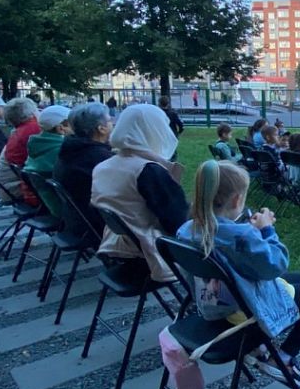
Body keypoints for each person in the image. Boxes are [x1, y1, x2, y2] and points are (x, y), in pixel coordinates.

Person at [177, 160, 300, 386]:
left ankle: (259, 347)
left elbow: (229, 248)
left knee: (297, 279)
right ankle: (284, 357)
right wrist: (267, 230)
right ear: (237, 199)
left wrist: (249, 232)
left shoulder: (186, 230)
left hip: (213, 303)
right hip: (243, 313)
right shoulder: (241, 237)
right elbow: (276, 265)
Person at [91, 104, 189, 282]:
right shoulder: (147, 170)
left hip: (118, 246)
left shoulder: (103, 166)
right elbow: (178, 223)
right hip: (151, 252)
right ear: (152, 130)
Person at [53, 103, 114, 237]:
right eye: (110, 120)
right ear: (101, 128)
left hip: (75, 222)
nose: (113, 123)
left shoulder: (71, 149)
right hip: (99, 228)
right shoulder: (99, 158)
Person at [23, 105, 72, 213]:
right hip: (66, 210)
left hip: (50, 204)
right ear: (61, 128)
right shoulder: (62, 150)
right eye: (73, 125)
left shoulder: (38, 145)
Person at [0, 98, 40, 203]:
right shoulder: (32, 129)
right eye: (37, 109)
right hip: (15, 189)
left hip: (7, 187)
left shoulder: (20, 130)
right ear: (32, 113)